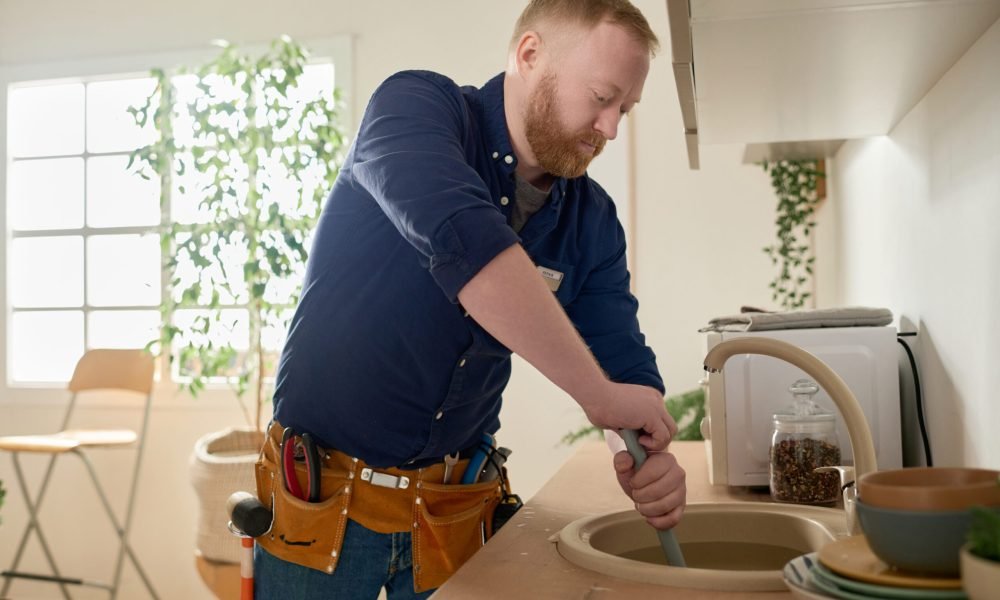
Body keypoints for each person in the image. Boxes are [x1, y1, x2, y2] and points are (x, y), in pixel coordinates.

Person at [254, 1, 687, 597]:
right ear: (529, 55)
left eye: (624, 110)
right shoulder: (414, 109)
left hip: (453, 512)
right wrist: (602, 398)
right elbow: (469, 247)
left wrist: (647, 449)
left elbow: (623, 366)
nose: (610, 128)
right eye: (601, 97)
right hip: (319, 502)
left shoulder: (593, 219)